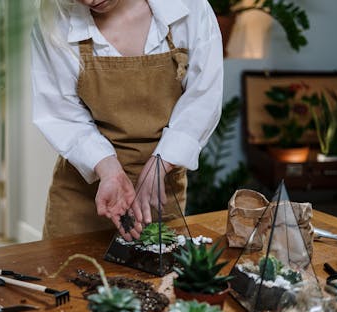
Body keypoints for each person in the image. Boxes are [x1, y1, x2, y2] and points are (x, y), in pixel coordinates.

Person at [31, 0, 223, 240]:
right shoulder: (56, 22)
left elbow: (203, 99)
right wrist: (108, 169)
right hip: (81, 197)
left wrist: (161, 163)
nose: (89, 1)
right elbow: (61, 112)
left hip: (158, 191)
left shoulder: (188, 8)